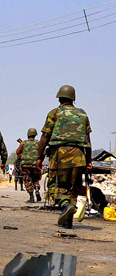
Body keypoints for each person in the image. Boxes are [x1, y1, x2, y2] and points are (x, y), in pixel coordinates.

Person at [36, 85, 92, 228]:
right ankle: (68, 221)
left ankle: (65, 206)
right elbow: (87, 139)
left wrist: (39, 157)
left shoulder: (55, 113)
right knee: (73, 188)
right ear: (73, 98)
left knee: (57, 187)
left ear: (59, 98)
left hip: (60, 154)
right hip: (80, 155)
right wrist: (88, 161)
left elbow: (45, 136)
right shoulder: (82, 114)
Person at [16, 128, 43, 203]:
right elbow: (43, 153)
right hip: (35, 165)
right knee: (36, 179)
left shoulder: (23, 143)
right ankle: (37, 189)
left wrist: (21, 156)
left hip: (25, 165)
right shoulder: (39, 143)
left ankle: (31, 197)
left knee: (27, 180)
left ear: (28, 134)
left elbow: (18, 152)